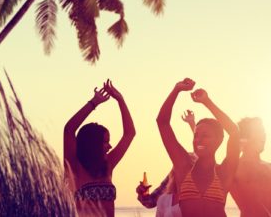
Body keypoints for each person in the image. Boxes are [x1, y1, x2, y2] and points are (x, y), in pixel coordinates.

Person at [157, 78, 239, 217]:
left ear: (219, 140)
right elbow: (162, 122)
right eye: (196, 135)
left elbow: (234, 132)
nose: (198, 140)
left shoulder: (224, 172)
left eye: (205, 135)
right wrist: (176, 89)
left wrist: (207, 102)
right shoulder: (183, 166)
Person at [64, 79, 135, 217]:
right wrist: (94, 103)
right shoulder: (74, 167)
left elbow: (129, 134)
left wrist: (121, 100)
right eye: (105, 142)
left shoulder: (107, 165)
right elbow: (69, 130)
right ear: (92, 144)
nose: (109, 146)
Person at [137, 110, 197, 217]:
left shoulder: (202, 189)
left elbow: (201, 149)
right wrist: (142, 193)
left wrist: (192, 124)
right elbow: (150, 201)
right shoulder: (171, 181)